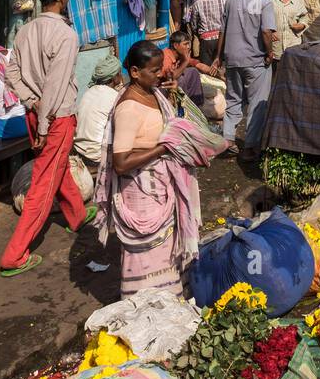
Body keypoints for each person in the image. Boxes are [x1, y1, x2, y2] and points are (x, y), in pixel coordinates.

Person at [94, 40, 222, 297]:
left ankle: (171, 300)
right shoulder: (128, 107)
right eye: (154, 71)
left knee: (167, 252)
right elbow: (120, 163)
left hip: (160, 188)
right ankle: (145, 306)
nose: (161, 74)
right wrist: (162, 149)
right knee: (148, 255)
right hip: (141, 196)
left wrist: (170, 94)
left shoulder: (151, 93)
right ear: (134, 72)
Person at [1, 0, 94, 277]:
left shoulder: (25, 30)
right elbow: (55, 83)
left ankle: (77, 216)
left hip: (37, 113)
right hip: (55, 118)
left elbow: (11, 71)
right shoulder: (66, 35)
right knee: (43, 184)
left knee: (57, 167)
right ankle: (14, 255)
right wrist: (43, 120)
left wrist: (31, 101)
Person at [212, 0, 276, 157]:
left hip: (232, 58)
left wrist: (218, 56)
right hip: (256, 59)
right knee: (258, 103)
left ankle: (229, 139)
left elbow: (222, 30)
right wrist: (269, 52)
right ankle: (250, 146)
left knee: (233, 100)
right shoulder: (265, 1)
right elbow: (266, 31)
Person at [74, 53, 124, 167]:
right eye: (119, 73)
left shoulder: (89, 92)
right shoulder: (114, 97)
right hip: (96, 156)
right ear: (114, 77)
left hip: (79, 151)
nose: (121, 77)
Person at [270, 0, 309, 68]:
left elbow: (304, 17)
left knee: (292, 76)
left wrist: (302, 25)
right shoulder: (270, 0)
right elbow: (262, 20)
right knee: (277, 77)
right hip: (276, 49)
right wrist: (270, 32)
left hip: (294, 45)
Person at [187, 0, 226, 65]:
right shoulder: (225, 1)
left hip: (206, 41)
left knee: (206, 71)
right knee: (221, 67)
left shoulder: (197, 3)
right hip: (222, 39)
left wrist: (199, 35)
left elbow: (193, 25)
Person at [161, 31, 205, 110]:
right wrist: (185, 62)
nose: (188, 47)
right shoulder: (166, 56)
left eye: (188, 44)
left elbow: (196, 63)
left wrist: (213, 71)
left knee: (193, 71)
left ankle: (196, 107)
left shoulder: (180, 55)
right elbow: (171, 78)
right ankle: (182, 109)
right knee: (181, 80)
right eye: (185, 44)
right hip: (162, 89)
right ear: (175, 45)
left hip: (171, 86)